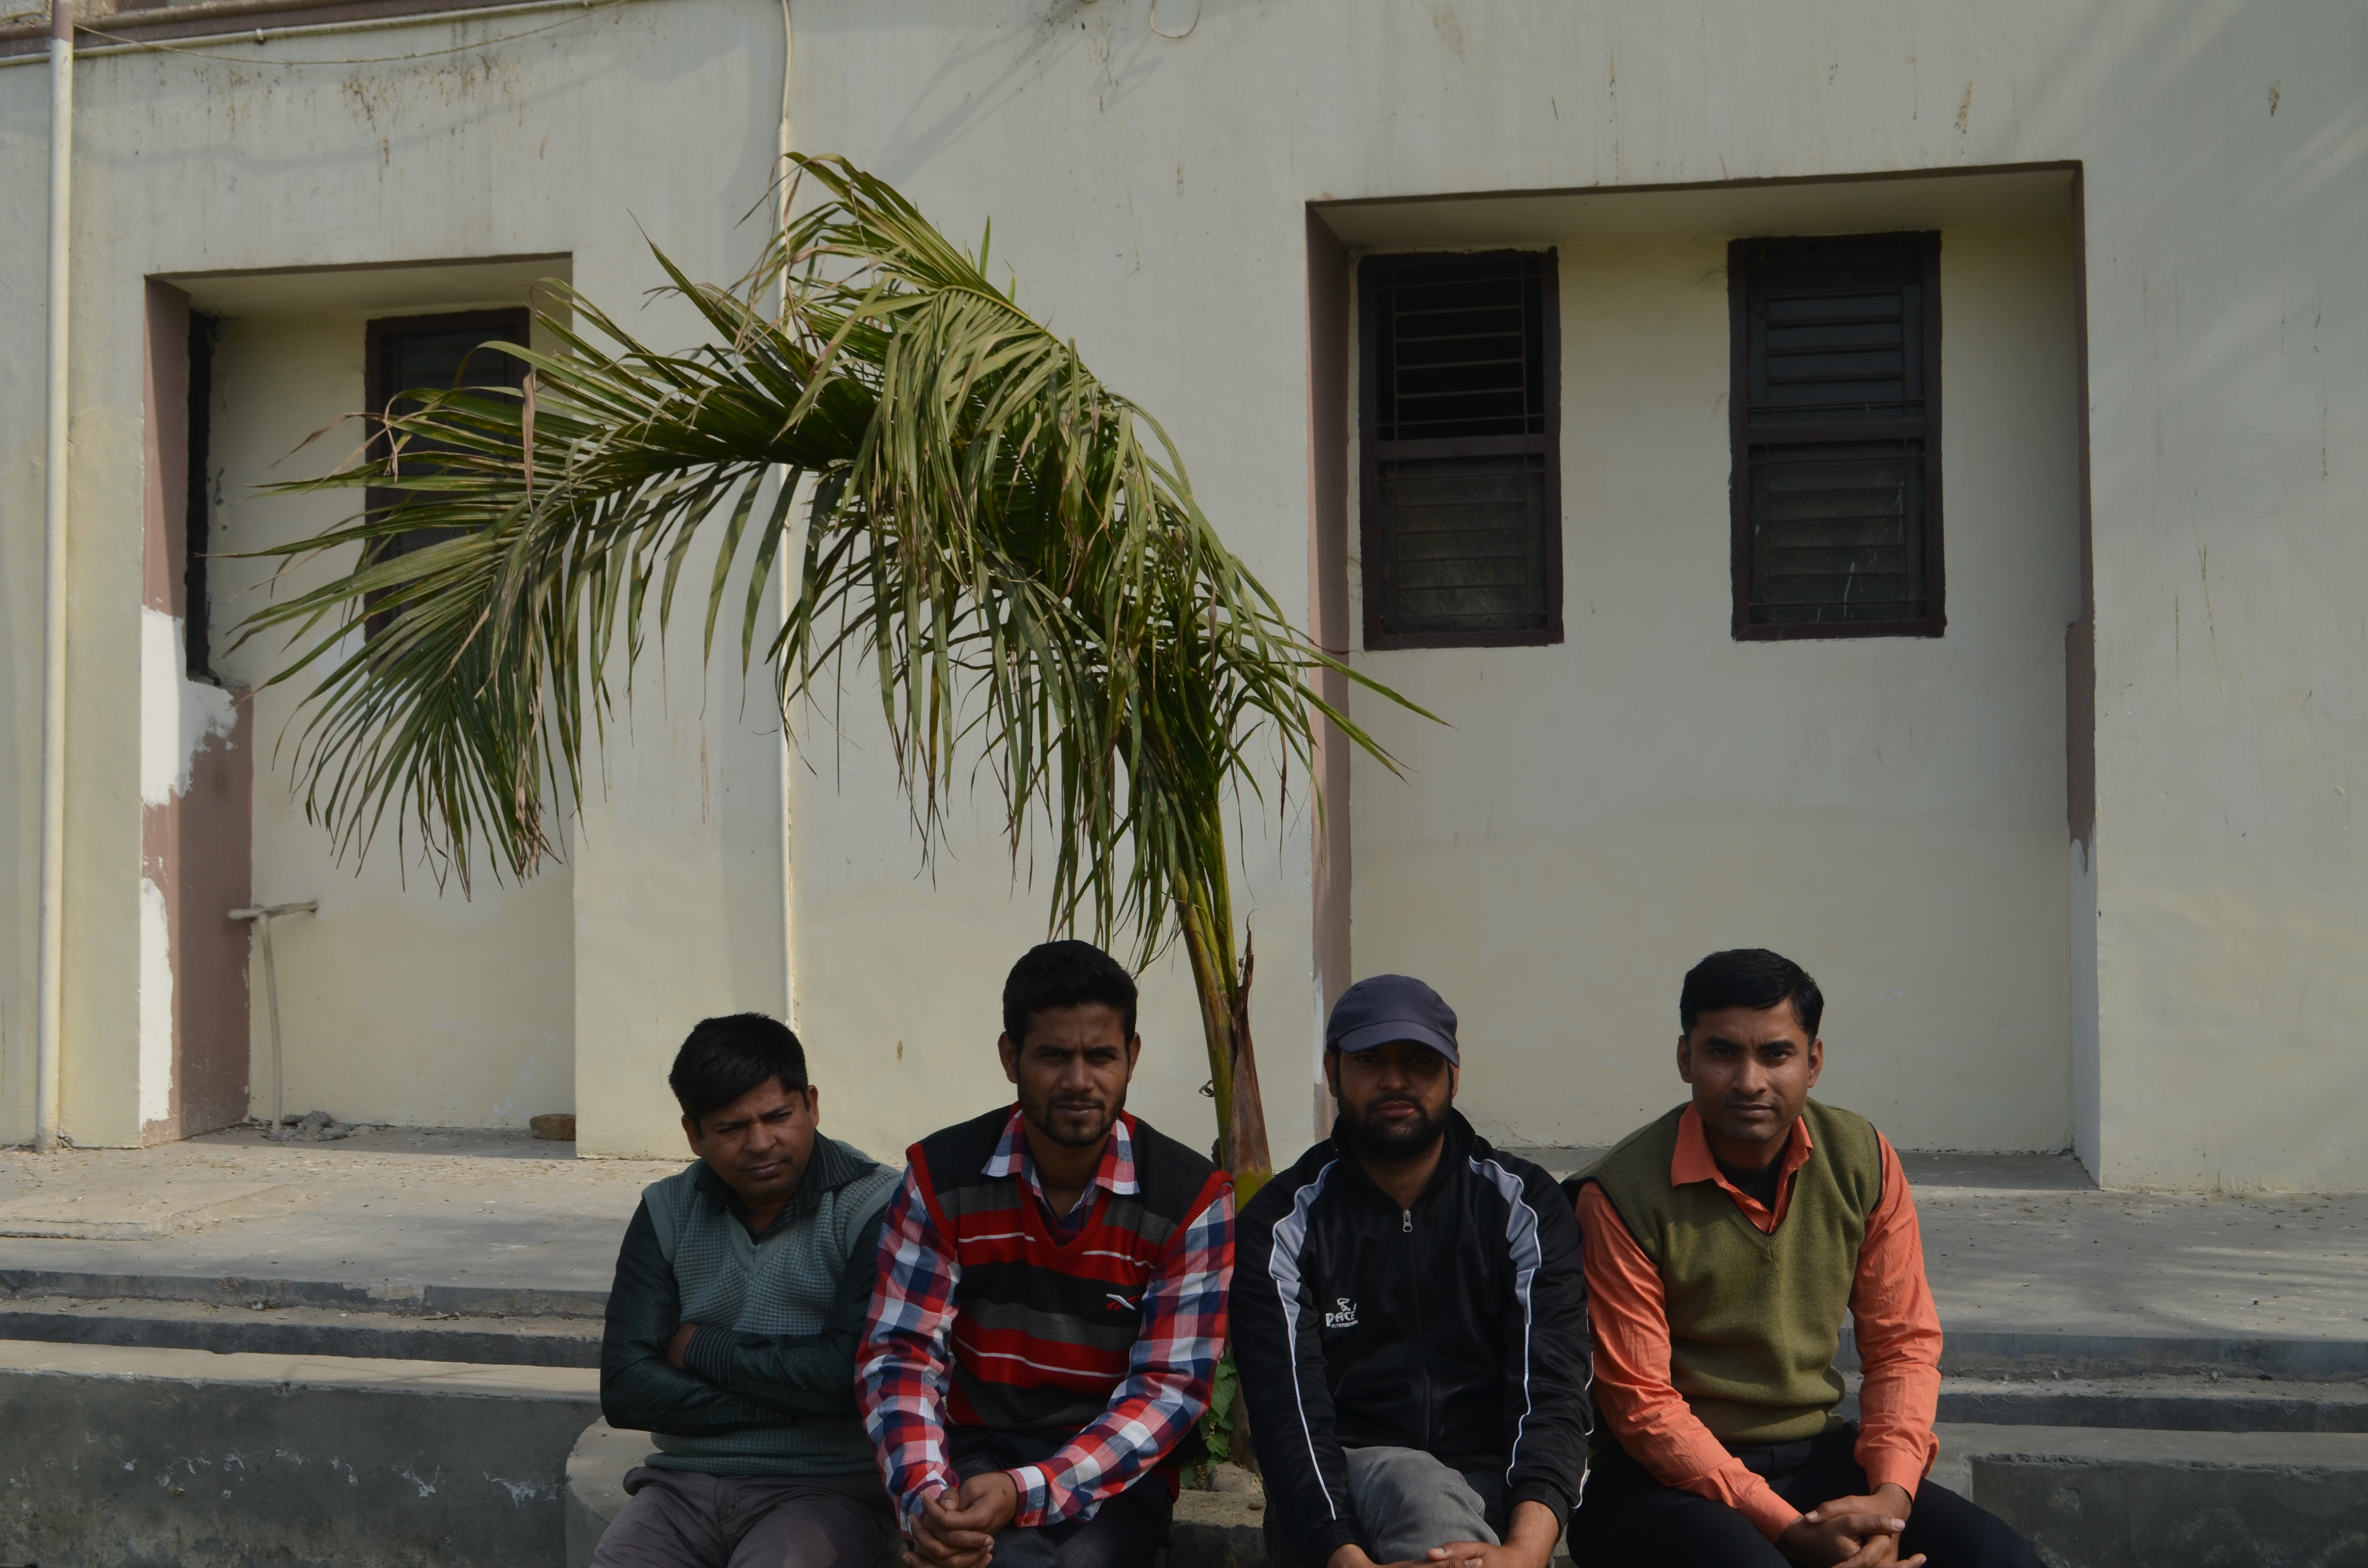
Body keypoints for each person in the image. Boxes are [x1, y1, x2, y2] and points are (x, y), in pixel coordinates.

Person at [1569, 949, 2042, 1568]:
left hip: (1817, 1456)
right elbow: (1641, 1405)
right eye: (1721, 1053)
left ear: (1812, 1062)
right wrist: (1790, 1531)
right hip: (1663, 1481)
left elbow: (1901, 1344)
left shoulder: (1860, 1158)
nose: (1748, 1081)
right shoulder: (1618, 1194)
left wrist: (1889, 1500)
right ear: (1684, 1058)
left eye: (1775, 1054)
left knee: (2001, 1559)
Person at [858, 940, 1235, 1568]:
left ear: (1132, 1057)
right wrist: (926, 1500)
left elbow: (1168, 1390)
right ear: (1011, 1058)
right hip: (971, 1452)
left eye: (1101, 1056)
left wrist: (1025, 1491)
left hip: (1111, 1475)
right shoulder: (940, 1178)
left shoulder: (1189, 1199)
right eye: (1053, 1056)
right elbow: (901, 1355)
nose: (1078, 1081)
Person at [1233, 974, 1592, 1568]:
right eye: (1370, 1059)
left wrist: (1525, 1552)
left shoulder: (1523, 1205)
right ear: (1332, 1070)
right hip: (1334, 1500)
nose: (1395, 1080)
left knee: (1435, 1501)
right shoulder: (1283, 1222)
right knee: (1419, 1488)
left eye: (1419, 1061)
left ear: (1454, 1074)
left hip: (1499, 1490)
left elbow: (1552, 1389)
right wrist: (1340, 1554)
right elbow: (1286, 1412)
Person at [594, 1013, 902, 1568]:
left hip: (827, 1487)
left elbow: (846, 1376)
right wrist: (776, 1406)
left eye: (778, 1117)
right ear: (694, 1135)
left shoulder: (876, 1205)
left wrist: (700, 1346)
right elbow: (625, 1389)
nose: (761, 1143)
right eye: (731, 1128)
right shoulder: (667, 1208)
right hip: (681, 1487)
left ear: (811, 1105)